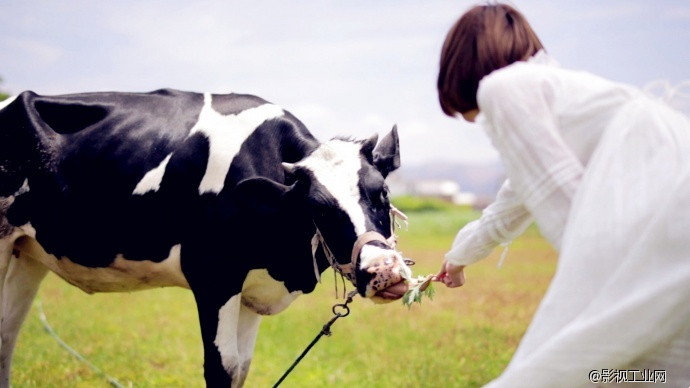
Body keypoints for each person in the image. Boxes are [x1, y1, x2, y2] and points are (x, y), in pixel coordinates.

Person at [433, 3, 690, 387]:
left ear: (463, 68)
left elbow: (567, 213)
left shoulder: (502, 90)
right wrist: (458, 259)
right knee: (654, 371)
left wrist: (596, 304)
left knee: (557, 370)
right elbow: (513, 202)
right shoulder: (569, 92)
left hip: (668, 236)